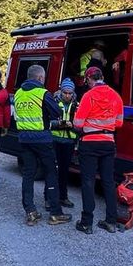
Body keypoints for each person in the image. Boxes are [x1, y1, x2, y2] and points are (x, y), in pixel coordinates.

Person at [12, 64, 71, 226]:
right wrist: (56, 99)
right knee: (51, 173)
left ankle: (30, 211)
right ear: (39, 78)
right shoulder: (42, 93)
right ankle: (55, 213)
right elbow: (57, 113)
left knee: (28, 174)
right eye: (43, 78)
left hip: (24, 139)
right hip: (42, 139)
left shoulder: (18, 93)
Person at [74, 66, 124, 234]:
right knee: (108, 182)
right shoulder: (116, 96)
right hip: (108, 143)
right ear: (102, 77)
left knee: (88, 181)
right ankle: (111, 222)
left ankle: (86, 223)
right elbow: (119, 123)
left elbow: (78, 124)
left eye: (86, 80)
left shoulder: (88, 96)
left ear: (90, 79)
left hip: (89, 143)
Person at [47, 78, 78, 208]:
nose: (67, 95)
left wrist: (72, 127)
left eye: (70, 93)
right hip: (54, 140)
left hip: (69, 142)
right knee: (51, 171)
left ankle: (63, 197)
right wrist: (63, 124)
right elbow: (47, 122)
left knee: (65, 171)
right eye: (65, 92)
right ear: (61, 91)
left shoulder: (77, 105)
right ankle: (48, 199)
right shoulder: (53, 103)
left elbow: (80, 125)